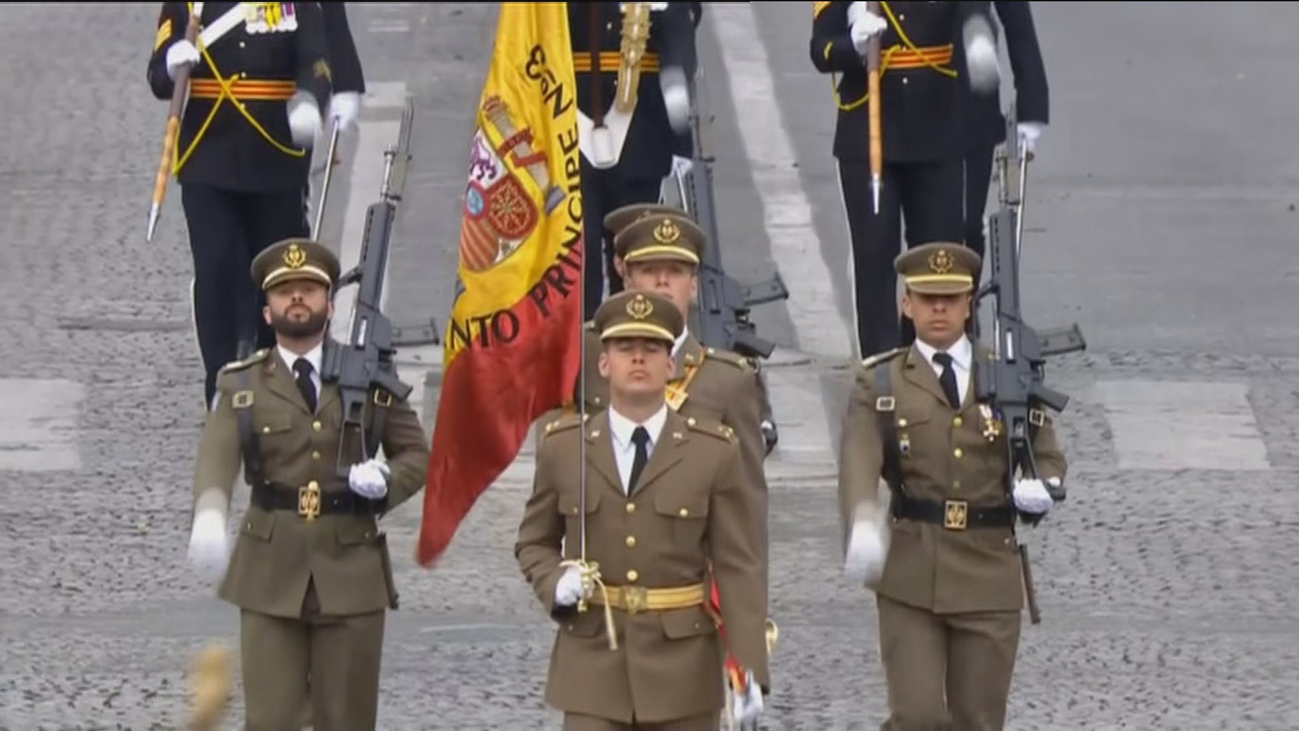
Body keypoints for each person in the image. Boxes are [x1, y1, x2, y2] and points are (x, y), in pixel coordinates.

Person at [183, 238, 429, 731]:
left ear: (330, 305)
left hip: (351, 568)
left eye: (309, 290)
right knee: (270, 719)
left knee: (347, 721)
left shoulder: (368, 378)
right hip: (269, 571)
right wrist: (210, 509)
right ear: (268, 312)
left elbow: (417, 455)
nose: (297, 298)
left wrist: (386, 480)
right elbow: (218, 453)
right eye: (284, 291)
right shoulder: (242, 384)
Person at [836, 241, 1067, 730]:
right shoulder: (882, 383)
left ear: (968, 305)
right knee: (916, 716)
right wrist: (861, 517)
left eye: (950, 298)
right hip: (911, 571)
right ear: (907, 304)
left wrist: (1043, 485)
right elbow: (860, 456)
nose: (938, 309)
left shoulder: (1008, 375)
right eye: (926, 298)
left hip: (988, 571)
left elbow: (1046, 452)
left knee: (978, 720)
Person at [516, 289, 769, 730]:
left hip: (683, 671)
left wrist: (748, 668)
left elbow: (737, 565)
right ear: (603, 363)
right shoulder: (564, 448)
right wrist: (555, 581)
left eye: (652, 348)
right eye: (624, 348)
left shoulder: (712, 451)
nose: (638, 358)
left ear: (670, 365)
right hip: (592, 666)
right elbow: (534, 541)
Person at [148, 2, 330, 408]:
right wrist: (172, 63)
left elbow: (316, 60)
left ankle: (276, 377)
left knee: (279, 276)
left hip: (275, 157)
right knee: (216, 269)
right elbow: (158, 77)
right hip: (208, 158)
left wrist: (309, 99)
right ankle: (221, 383)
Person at [808, 0, 1000, 359]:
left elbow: (975, 13)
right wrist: (854, 44)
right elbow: (822, 49)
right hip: (868, 132)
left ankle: (932, 362)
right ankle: (881, 367)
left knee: (938, 258)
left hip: (936, 129)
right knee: (875, 258)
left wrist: (979, 36)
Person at [568, 1, 698, 319]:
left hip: (640, 123)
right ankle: (581, 342)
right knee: (577, 252)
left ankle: (633, 336)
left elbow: (679, 29)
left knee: (633, 249)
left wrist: (678, 116)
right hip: (570, 116)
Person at [962, 1, 1048, 281]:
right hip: (907, 92)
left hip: (971, 97)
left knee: (967, 222)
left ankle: (964, 302)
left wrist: (1031, 109)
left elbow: (1017, 19)